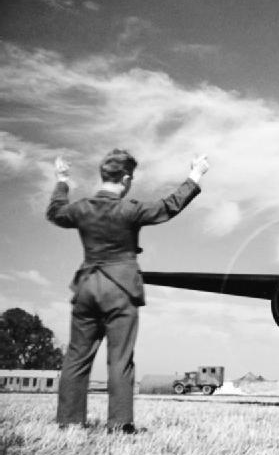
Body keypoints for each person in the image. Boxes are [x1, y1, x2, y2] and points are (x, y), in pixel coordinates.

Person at [46, 149, 209, 434]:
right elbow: (168, 206)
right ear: (126, 178)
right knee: (120, 359)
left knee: (76, 356)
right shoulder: (130, 209)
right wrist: (195, 174)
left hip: (86, 287)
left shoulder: (81, 208)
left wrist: (61, 180)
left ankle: (70, 423)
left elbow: (55, 212)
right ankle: (119, 424)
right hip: (120, 288)